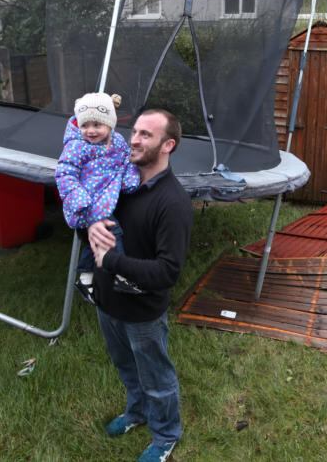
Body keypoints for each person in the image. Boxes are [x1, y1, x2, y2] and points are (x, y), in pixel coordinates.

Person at [87, 108, 193, 462]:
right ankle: (136, 413)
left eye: (147, 134)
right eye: (135, 132)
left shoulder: (173, 203)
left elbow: (167, 273)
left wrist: (112, 261)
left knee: (157, 379)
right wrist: (88, 227)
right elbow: (91, 215)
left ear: (168, 145)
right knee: (126, 367)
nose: (134, 139)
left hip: (142, 312)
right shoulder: (120, 180)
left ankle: (165, 436)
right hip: (108, 301)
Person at [55, 92, 140, 304]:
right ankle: (121, 274)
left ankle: (85, 276)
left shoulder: (118, 142)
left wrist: (130, 179)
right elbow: (64, 174)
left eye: (97, 125)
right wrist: (80, 200)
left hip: (106, 199)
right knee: (113, 232)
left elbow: (127, 161)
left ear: (110, 124)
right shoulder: (76, 146)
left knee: (96, 240)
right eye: (85, 126)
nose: (90, 131)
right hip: (87, 204)